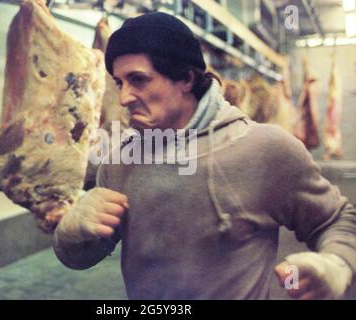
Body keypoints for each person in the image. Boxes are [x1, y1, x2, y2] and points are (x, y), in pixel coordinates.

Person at [53, 12, 356, 299]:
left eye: (138, 79)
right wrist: (71, 232)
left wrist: (337, 264)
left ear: (185, 79)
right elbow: (79, 259)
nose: (123, 97)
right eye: (119, 83)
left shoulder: (266, 149)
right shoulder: (120, 161)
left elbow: (336, 219)